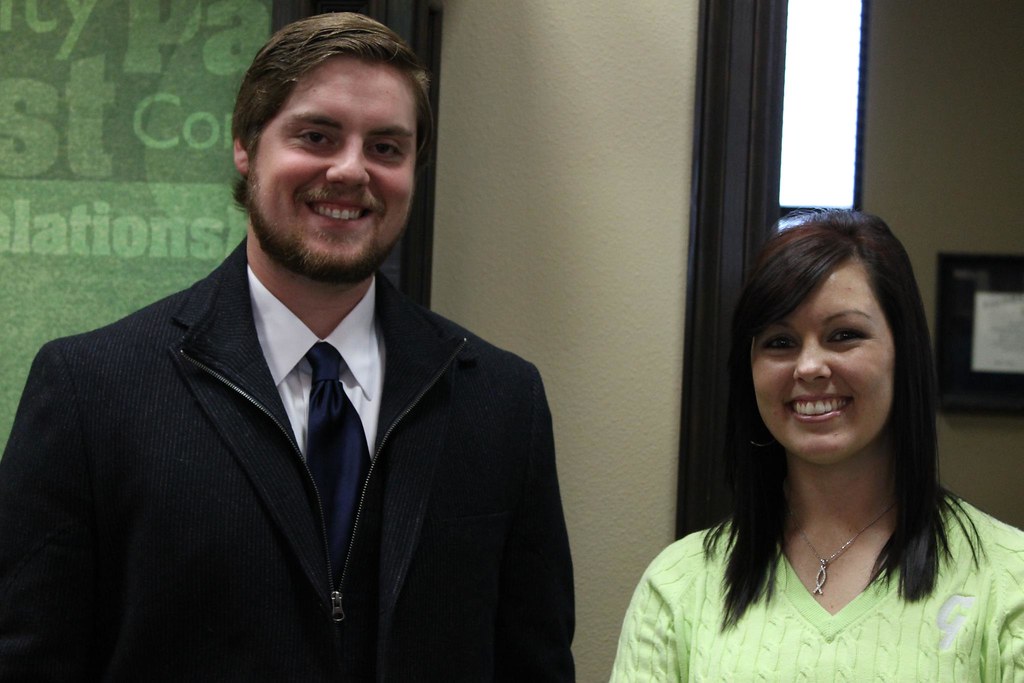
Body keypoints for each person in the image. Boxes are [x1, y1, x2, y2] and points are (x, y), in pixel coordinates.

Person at [0, 13, 574, 681]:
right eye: (316, 135)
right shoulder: (90, 391)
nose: (351, 170)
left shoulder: (501, 402)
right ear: (246, 147)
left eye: (386, 147)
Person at [611, 210, 1024, 681]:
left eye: (844, 335)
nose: (808, 366)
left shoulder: (1008, 584)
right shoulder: (678, 587)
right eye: (780, 342)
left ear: (902, 353)